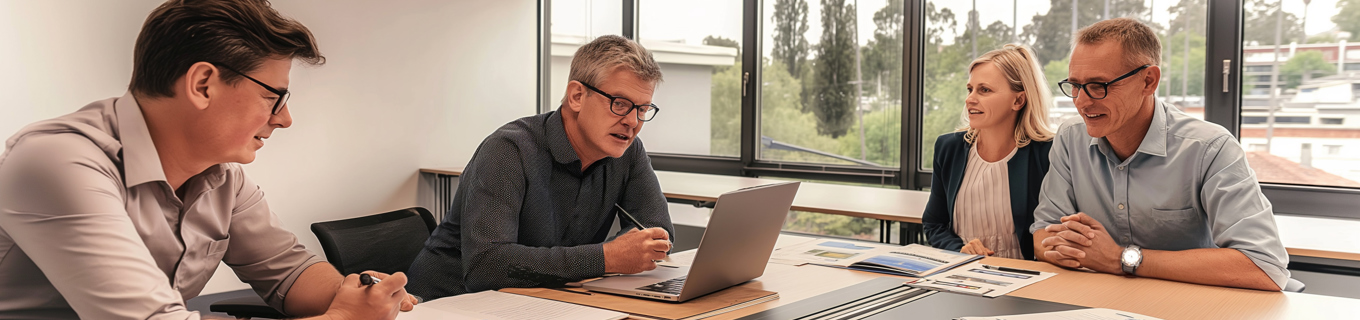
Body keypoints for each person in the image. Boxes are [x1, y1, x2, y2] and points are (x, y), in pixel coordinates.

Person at [0, 0, 418, 318]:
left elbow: (290, 272)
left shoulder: (223, 180)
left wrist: (360, 293)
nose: (285, 119)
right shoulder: (55, 161)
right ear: (203, 84)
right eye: (274, 97)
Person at [406, 35, 675, 300]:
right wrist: (607, 258)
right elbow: (486, 265)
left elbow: (657, 228)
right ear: (577, 96)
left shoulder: (628, 151)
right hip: (448, 303)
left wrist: (635, 248)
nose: (632, 121)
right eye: (620, 104)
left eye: (643, 109)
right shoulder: (508, 149)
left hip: (541, 300)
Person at [1031, 18, 1289, 291]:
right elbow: (1043, 234)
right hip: (1100, 300)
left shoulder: (1209, 148)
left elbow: (1264, 266)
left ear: (1148, 81)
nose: (1082, 101)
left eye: (1099, 85)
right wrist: (1069, 249)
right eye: (1075, 85)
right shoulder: (1071, 137)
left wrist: (1119, 258)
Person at [923, 44, 1055, 260]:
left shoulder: (1047, 153)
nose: (970, 99)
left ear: (1018, 100)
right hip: (962, 275)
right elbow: (934, 223)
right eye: (970, 89)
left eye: (984, 90)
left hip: (1027, 279)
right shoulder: (949, 148)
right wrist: (959, 249)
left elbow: (1054, 232)